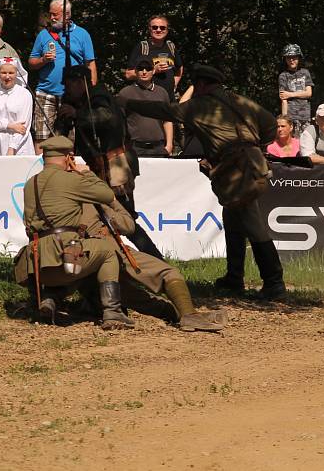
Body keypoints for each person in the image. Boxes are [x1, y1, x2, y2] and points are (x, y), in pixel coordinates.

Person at [120, 64, 286, 299]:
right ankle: (234, 278)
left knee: (252, 222)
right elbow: (269, 123)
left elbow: (165, 110)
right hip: (254, 165)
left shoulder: (199, 106)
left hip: (235, 170)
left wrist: (128, 103)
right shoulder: (240, 100)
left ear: (201, 84)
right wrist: (253, 145)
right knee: (232, 219)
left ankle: (274, 283)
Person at [12, 135, 134, 330]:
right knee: (106, 251)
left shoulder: (30, 184)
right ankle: (113, 312)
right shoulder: (72, 180)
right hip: (68, 262)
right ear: (68, 158)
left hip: (37, 266)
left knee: (67, 255)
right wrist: (86, 173)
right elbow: (107, 194)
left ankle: (50, 298)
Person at [57, 65, 164, 260]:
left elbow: (108, 118)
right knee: (98, 217)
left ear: (80, 83)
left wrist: (77, 114)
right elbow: (62, 131)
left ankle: (156, 260)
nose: (66, 89)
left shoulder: (99, 96)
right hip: (98, 167)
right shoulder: (76, 101)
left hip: (116, 166)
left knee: (126, 217)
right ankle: (109, 259)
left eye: (68, 85)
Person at [77, 199, 225, 332]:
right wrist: (111, 199)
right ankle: (189, 314)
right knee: (167, 273)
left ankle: (187, 314)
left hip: (81, 262)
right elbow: (128, 226)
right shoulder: (89, 193)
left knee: (136, 298)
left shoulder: (57, 194)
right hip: (110, 252)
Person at [28, 0, 96, 153]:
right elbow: (31, 62)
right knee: (41, 136)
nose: (51, 18)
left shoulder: (82, 34)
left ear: (67, 14)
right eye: (50, 14)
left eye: (55, 15)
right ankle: (42, 171)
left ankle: (67, 172)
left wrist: (91, 90)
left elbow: (90, 64)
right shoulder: (44, 35)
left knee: (69, 138)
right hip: (46, 92)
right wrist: (43, 60)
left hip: (73, 96)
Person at [117, 58, 173, 157]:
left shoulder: (162, 92)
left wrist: (169, 145)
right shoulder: (125, 93)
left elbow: (167, 121)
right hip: (135, 148)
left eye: (148, 69)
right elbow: (119, 122)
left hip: (159, 148)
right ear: (135, 71)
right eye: (140, 69)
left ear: (154, 71)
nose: (144, 72)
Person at [0, 57, 34, 156]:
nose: (7, 76)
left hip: (18, 144)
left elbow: (23, 126)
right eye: (4, 73)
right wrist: (10, 125)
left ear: (16, 74)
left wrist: (12, 147)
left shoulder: (24, 94)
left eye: (11, 73)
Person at [124, 15, 184, 100]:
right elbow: (128, 74)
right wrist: (154, 70)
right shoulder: (143, 47)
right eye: (155, 27)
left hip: (169, 100)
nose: (158, 30)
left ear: (167, 30)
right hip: (148, 99)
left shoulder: (171, 46)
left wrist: (174, 84)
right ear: (150, 29)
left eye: (162, 28)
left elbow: (179, 67)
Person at [278, 44, 313, 136]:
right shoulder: (283, 76)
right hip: (291, 116)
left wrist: (290, 94)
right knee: (292, 143)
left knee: (305, 143)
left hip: (305, 115)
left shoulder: (305, 72)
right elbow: (283, 99)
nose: (291, 60)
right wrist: (284, 119)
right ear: (285, 59)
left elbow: (309, 93)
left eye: (294, 57)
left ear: (299, 58)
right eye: (288, 57)